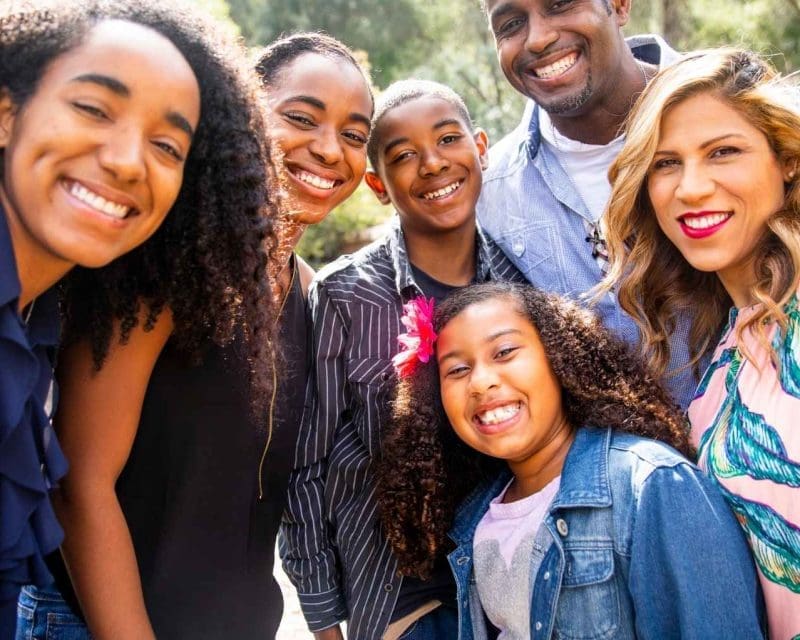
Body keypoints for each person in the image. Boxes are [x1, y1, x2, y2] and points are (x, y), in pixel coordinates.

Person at [18, 29, 374, 640]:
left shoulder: (311, 293)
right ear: (246, 116)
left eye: (354, 135)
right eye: (301, 118)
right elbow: (79, 481)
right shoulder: (170, 270)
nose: (329, 150)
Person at [0, 0, 222, 634]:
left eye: (167, 145)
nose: (128, 161)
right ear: (7, 112)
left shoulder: (35, 328)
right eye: (94, 109)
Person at [377, 281, 765, 639]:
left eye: (505, 352)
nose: (481, 382)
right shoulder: (478, 517)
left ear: (558, 357)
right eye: (457, 370)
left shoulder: (651, 485)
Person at [281, 80, 525, 640]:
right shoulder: (346, 297)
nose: (433, 164)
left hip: (516, 588)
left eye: (447, 140)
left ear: (480, 147)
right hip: (400, 600)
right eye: (404, 156)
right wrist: (323, 620)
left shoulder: (518, 285)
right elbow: (306, 464)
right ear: (377, 185)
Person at [600, 48, 800, 639]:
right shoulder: (722, 358)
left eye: (723, 152)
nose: (690, 187)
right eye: (665, 164)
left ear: (786, 160)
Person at [475, 0, 698, 407]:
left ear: (618, 4)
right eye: (510, 24)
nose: (539, 38)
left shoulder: (742, 116)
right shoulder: (492, 194)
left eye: (560, 4)